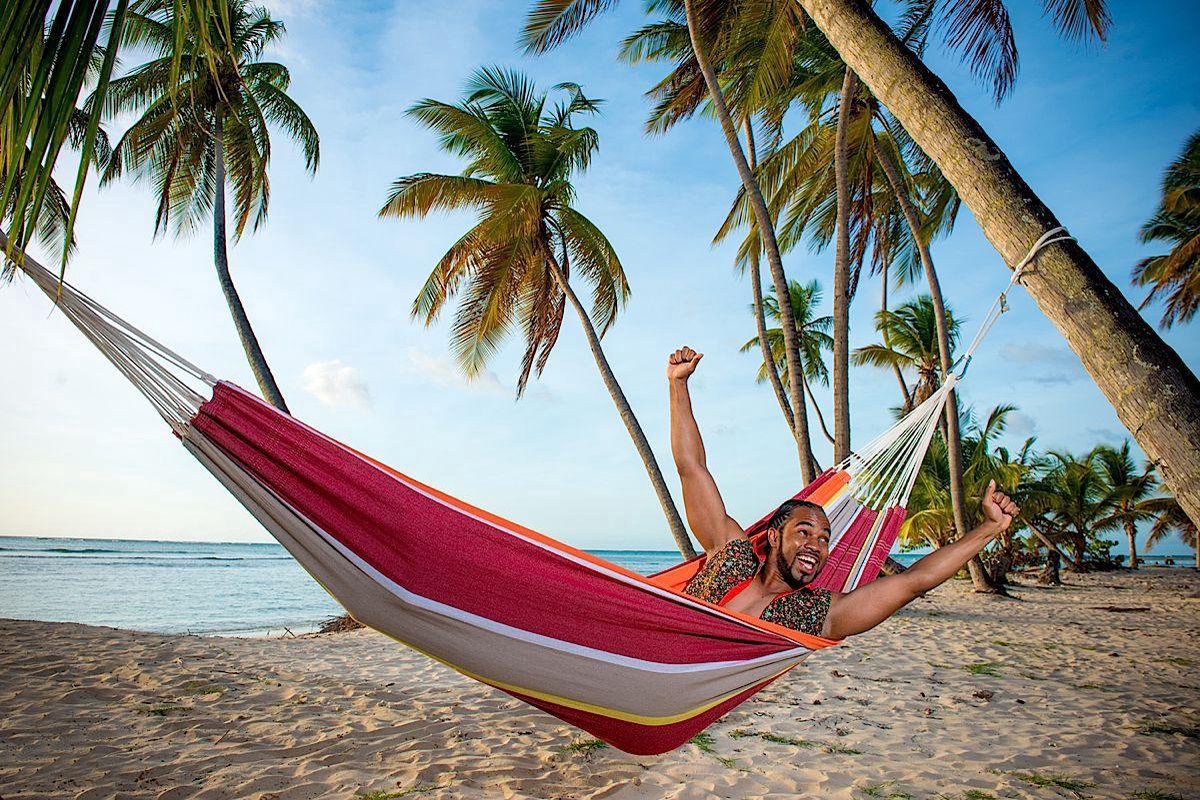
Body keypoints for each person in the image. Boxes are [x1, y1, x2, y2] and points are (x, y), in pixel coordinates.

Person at [667, 346, 1019, 640]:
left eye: (824, 538)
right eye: (804, 532)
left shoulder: (816, 613)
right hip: (648, 651)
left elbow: (914, 582)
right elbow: (691, 468)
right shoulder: (732, 558)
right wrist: (678, 385)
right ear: (773, 536)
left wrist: (989, 528)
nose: (816, 545)